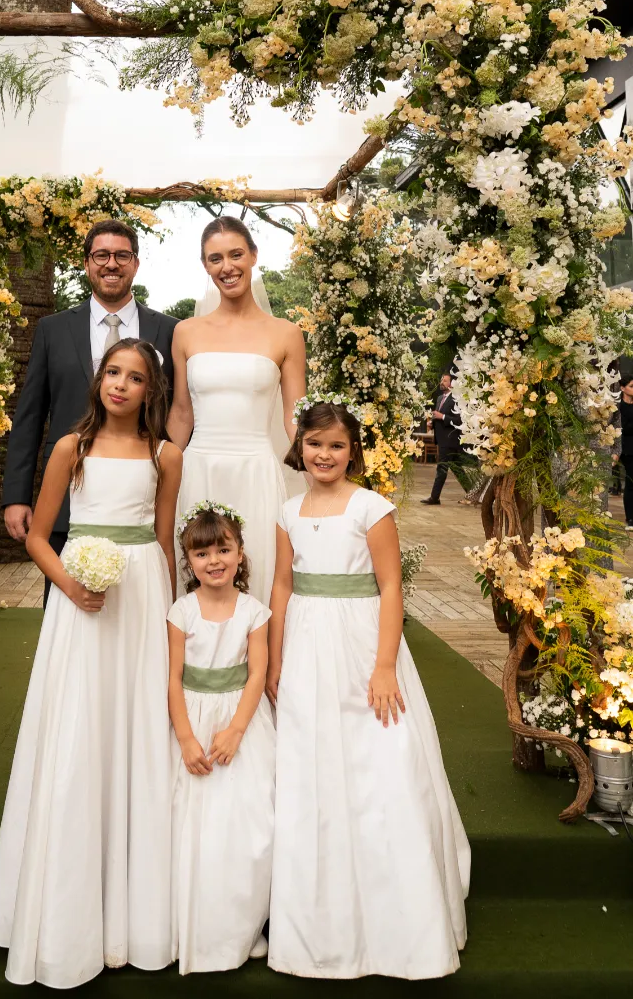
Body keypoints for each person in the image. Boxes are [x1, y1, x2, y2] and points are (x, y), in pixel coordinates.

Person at [0, 339, 183, 987]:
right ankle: (66, 912)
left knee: (140, 731)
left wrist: (177, 620)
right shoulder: (71, 447)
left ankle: (142, 916)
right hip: (83, 598)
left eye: (135, 377)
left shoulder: (164, 456)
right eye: (112, 373)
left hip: (145, 595)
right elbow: (38, 534)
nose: (121, 384)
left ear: (152, 389)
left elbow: (165, 536)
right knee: (80, 733)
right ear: (99, 380)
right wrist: (70, 586)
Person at [267, 397, 470, 980]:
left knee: (379, 757)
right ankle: (316, 916)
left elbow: (390, 588)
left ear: (352, 451)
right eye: (314, 444)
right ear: (299, 447)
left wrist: (384, 666)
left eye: (336, 445)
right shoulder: (288, 511)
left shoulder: (373, 508)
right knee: (312, 761)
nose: (324, 454)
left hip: (362, 644)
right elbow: (281, 585)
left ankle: (399, 916)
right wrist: (277, 656)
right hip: (306, 641)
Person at [2, 219, 178, 599]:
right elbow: (30, 415)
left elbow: (179, 411)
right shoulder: (52, 329)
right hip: (69, 498)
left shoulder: (169, 330)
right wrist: (16, 495)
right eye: (101, 255)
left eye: (121, 255)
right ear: (86, 263)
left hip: (139, 500)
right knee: (68, 609)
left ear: (135, 263)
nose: (111, 264)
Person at [167, 217, 306, 604]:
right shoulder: (186, 332)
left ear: (253, 256)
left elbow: (295, 416)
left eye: (235, 254)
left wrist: (321, 474)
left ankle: (259, 662)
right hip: (198, 471)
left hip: (256, 472)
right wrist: (157, 471)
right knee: (198, 574)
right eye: (215, 259)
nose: (226, 266)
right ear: (205, 266)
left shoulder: (286, 333)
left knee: (259, 570)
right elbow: (181, 413)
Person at [168, 501, 275, 975]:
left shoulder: (254, 611)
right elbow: (173, 680)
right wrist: (187, 739)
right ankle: (199, 925)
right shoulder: (180, 611)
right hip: (192, 719)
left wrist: (234, 730)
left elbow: (257, 675)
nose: (214, 561)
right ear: (189, 561)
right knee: (194, 825)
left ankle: (246, 924)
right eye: (202, 553)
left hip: (241, 723)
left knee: (250, 823)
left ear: (240, 553)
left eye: (223, 550)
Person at [421, 372, 470, 506]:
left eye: (445, 381)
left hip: (450, 439)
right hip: (442, 438)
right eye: (441, 380)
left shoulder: (456, 399)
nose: (442, 382)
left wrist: (442, 416)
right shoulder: (439, 399)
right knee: (456, 468)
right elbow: (437, 416)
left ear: (452, 384)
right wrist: (432, 423)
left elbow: (458, 420)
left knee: (441, 468)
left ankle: (434, 497)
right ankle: (472, 494)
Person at [614, 374, 633, 529]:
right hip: (628, 450)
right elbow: (622, 429)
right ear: (622, 388)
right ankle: (630, 519)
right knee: (631, 482)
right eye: (631, 386)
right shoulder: (619, 407)